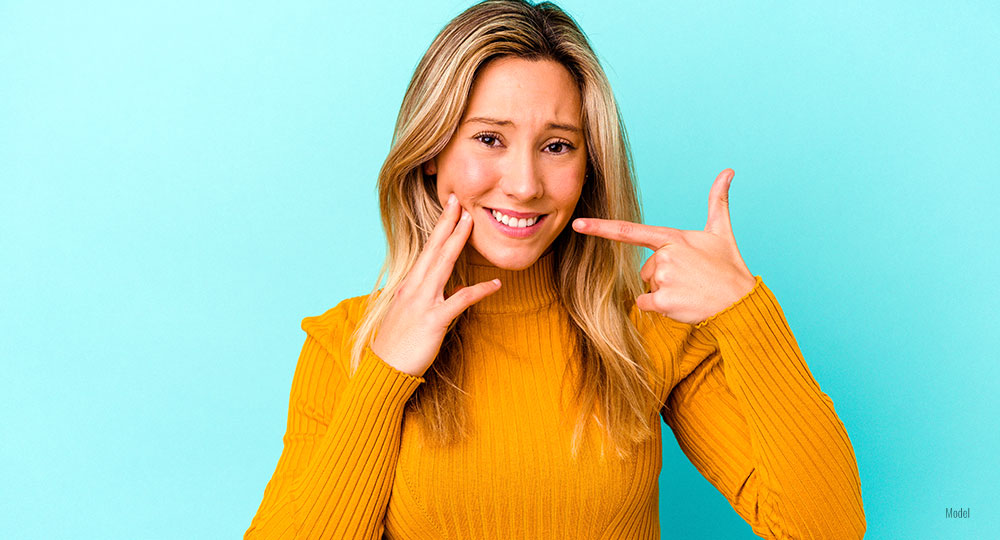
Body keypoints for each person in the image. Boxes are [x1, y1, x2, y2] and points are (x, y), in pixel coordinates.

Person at [244, 0, 866, 538]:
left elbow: (826, 529)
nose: (523, 184)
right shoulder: (344, 345)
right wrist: (383, 378)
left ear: (590, 165)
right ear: (431, 152)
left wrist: (745, 314)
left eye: (557, 145)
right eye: (490, 138)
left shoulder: (647, 333)